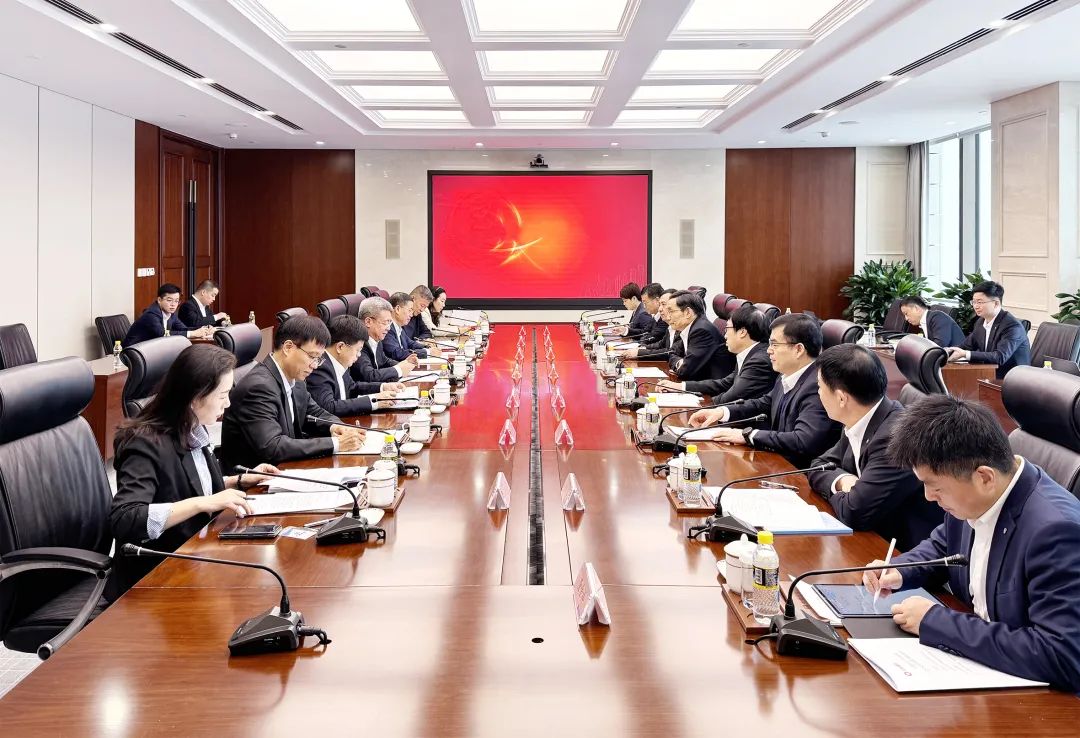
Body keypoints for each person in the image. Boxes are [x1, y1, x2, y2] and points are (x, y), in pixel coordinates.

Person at [863, 395, 1080, 692]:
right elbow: (944, 545)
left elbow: (1061, 654)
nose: (928, 497)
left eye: (935, 487)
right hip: (981, 670)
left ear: (984, 478)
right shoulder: (974, 497)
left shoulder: (1055, 531)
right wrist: (900, 570)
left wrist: (936, 621)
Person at [109, 344, 278, 596]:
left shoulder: (192, 429)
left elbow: (182, 485)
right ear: (196, 398)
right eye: (222, 395)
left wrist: (237, 480)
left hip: (197, 555)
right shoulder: (143, 443)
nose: (228, 403)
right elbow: (126, 518)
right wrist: (202, 503)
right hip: (156, 576)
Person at [808, 344, 943, 549]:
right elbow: (819, 465)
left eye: (819, 387)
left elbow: (854, 512)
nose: (817, 393)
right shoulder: (862, 416)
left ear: (842, 398)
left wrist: (848, 493)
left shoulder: (893, 439)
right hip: (875, 535)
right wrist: (842, 481)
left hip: (900, 551)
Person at [688, 313, 840, 468]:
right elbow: (763, 404)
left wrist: (748, 435)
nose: (768, 351)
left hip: (799, 473)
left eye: (775, 345)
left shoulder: (818, 386)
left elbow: (802, 440)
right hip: (777, 463)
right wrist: (721, 412)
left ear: (798, 349)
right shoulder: (787, 375)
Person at [220, 315, 364, 469]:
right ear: (288, 347)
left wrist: (337, 426)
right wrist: (336, 443)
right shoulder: (258, 388)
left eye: (318, 359)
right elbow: (273, 446)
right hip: (258, 477)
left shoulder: (296, 377)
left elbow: (314, 412)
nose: (315, 365)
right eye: (312, 356)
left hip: (287, 467)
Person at [660, 303, 776, 403]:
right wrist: (680, 387)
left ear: (742, 332)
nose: (725, 335)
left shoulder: (758, 361)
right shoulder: (749, 354)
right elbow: (724, 383)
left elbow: (732, 396)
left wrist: (701, 403)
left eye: (727, 329)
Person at [307, 315, 405, 417]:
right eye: (358, 350)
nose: (359, 355)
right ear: (340, 347)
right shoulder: (320, 367)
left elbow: (352, 388)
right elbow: (329, 407)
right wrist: (374, 401)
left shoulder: (340, 361)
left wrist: (383, 387)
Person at [947, 280, 1031, 379]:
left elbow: (999, 357)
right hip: (988, 374)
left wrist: (965, 354)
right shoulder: (980, 322)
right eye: (974, 302)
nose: (975, 306)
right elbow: (966, 346)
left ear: (996, 303)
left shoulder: (1012, 326)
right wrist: (947, 351)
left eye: (980, 302)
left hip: (1012, 379)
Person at [350, 295, 418, 384]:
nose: (388, 328)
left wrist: (404, 363)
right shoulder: (357, 343)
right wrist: (398, 369)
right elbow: (369, 375)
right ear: (368, 322)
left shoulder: (376, 338)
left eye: (390, 323)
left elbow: (384, 360)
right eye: (385, 322)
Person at [664, 290, 727, 381]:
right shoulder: (690, 327)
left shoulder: (701, 331)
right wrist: (680, 363)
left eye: (671, 311)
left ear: (688, 312)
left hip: (709, 387)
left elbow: (685, 372)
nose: (668, 317)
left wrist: (680, 364)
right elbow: (671, 353)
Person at [123, 283, 212, 347]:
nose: (173, 304)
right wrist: (193, 334)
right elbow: (161, 334)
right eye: (169, 300)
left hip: (151, 349)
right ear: (159, 300)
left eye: (176, 301)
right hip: (134, 352)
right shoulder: (151, 314)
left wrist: (203, 329)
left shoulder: (170, 313)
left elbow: (183, 329)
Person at [620, 288, 676, 359]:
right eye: (660, 304)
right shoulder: (669, 326)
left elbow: (670, 352)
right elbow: (659, 343)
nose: (660, 309)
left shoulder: (671, 325)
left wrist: (640, 352)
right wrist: (641, 348)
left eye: (663, 304)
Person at [385, 292, 441, 361]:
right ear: (397, 309)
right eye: (409, 310)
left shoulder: (398, 326)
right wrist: (427, 352)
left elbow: (410, 343)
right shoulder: (387, 328)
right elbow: (397, 353)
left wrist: (427, 346)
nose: (411, 315)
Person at [898, 296, 964, 347]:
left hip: (958, 359)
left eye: (906, 314)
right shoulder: (925, 321)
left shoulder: (938, 317)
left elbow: (939, 345)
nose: (906, 318)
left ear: (916, 309)